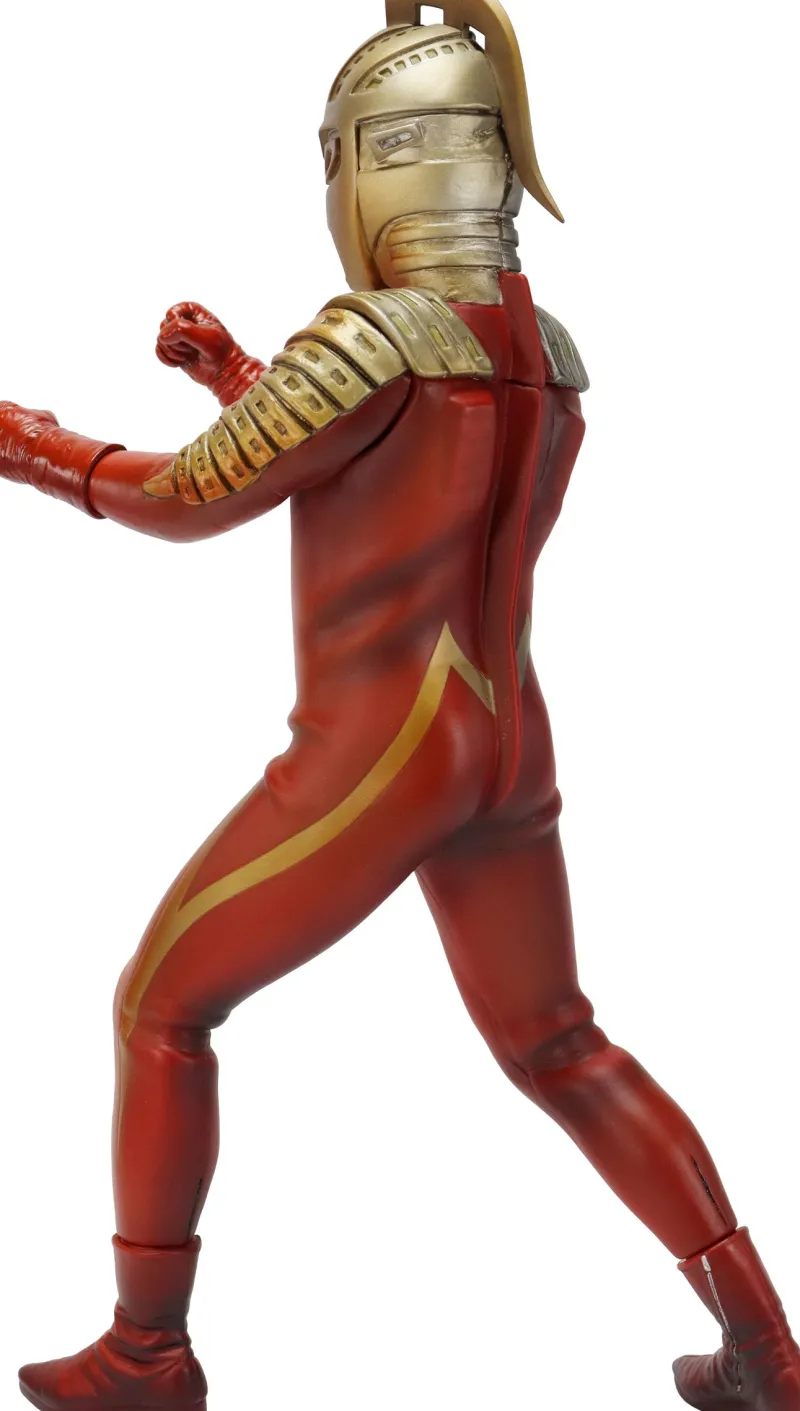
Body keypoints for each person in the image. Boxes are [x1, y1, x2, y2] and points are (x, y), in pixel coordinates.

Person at [1, 3, 797, 1408]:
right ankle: (766, 1349)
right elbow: (401, 471)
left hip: (385, 749)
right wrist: (240, 379)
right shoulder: (540, 346)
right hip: (506, 741)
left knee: (160, 1008)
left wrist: (32, 444)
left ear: (371, 163)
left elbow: (186, 497)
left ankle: (145, 1352)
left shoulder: (372, 336)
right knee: (559, 1041)